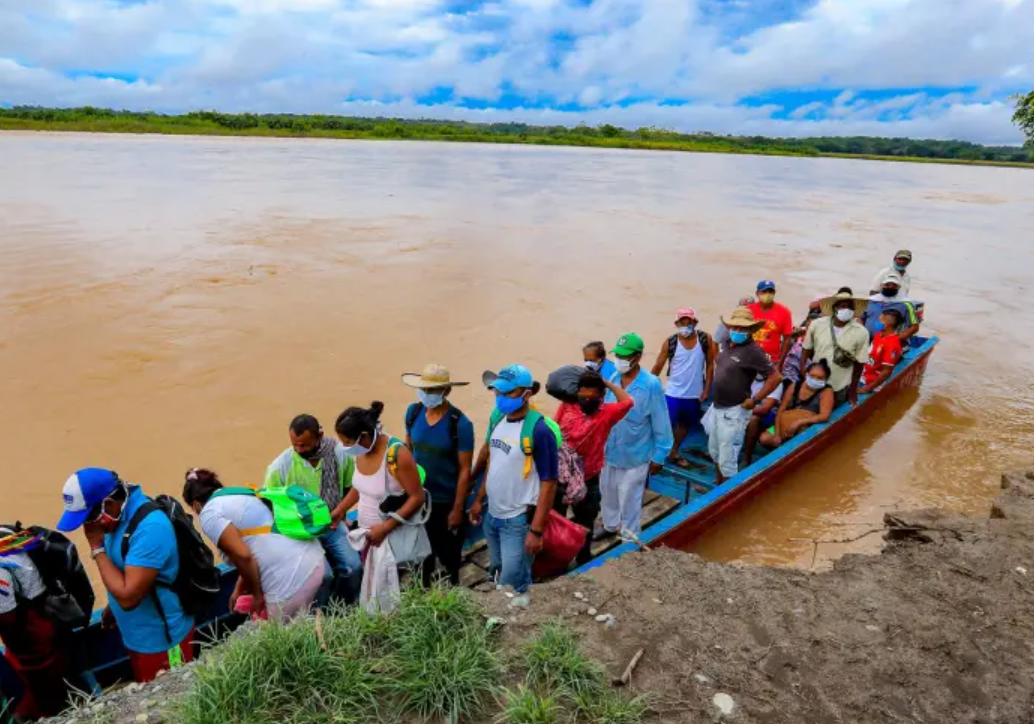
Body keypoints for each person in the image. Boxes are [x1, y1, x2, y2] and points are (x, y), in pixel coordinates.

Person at [56, 468, 195, 682]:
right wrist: (113, 606)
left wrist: (96, 548)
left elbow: (129, 598)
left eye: (89, 517)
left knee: (173, 696)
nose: (87, 525)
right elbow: (125, 569)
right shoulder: (116, 519)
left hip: (163, 640)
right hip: (137, 637)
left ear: (108, 503)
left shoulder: (150, 528)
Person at [183, 468, 327, 621]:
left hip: (290, 578)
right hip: (314, 559)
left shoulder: (208, 513)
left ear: (196, 504)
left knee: (279, 637)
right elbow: (253, 545)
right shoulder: (240, 494)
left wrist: (257, 595)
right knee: (305, 627)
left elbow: (244, 556)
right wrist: (239, 588)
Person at [469, 365, 558, 595]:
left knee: (512, 582)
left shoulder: (539, 431)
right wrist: (479, 499)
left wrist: (536, 532)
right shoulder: (498, 418)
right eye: (498, 392)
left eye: (508, 393)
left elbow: (549, 483)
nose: (501, 398)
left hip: (517, 522)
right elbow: (493, 463)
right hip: (493, 515)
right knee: (498, 569)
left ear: (526, 394)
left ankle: (515, 616)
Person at [335, 402, 428, 611]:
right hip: (369, 536)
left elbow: (417, 497)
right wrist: (341, 509)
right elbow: (360, 487)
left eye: (349, 442)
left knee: (394, 595)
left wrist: (385, 528)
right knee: (373, 593)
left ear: (364, 436)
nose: (347, 447)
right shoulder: (360, 452)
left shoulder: (397, 455)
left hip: (391, 538)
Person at [265, 414, 361, 603]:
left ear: (319, 436)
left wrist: (340, 510)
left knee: (354, 566)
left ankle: (343, 605)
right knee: (322, 576)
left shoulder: (340, 453)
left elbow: (353, 486)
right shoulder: (280, 467)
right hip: (300, 530)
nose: (299, 449)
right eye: (295, 445)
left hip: (331, 521)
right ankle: (319, 614)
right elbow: (268, 504)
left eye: (305, 445)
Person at [401, 364, 475, 586]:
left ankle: (452, 589)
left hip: (445, 501)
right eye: (425, 389)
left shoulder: (459, 424)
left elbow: (464, 469)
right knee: (422, 554)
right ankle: (424, 592)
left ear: (446, 391)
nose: (427, 395)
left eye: (433, 391)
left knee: (448, 553)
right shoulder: (413, 413)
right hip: (418, 497)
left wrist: (457, 508)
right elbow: (407, 451)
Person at [553, 371, 634, 563]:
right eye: (583, 393)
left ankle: (583, 558)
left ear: (601, 396)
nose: (587, 398)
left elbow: (628, 401)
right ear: (577, 393)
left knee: (585, 523)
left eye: (592, 395)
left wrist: (605, 382)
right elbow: (553, 430)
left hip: (588, 479)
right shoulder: (567, 406)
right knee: (557, 522)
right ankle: (558, 560)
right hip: (560, 478)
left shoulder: (606, 412)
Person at [597, 334, 673, 539]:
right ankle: (609, 525)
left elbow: (662, 424)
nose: (619, 360)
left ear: (637, 357)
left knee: (630, 498)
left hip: (635, 456)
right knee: (608, 493)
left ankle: (629, 537)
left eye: (625, 356)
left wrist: (659, 456)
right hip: (609, 452)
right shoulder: (613, 378)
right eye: (618, 355)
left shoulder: (651, 385)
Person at [0, 536, 74, 718]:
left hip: (31, 637)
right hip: (45, 617)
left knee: (44, 692)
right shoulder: (6, 536)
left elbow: (7, 617)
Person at [707, 308, 781, 484]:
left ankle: (725, 492)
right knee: (715, 451)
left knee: (728, 457)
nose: (737, 331)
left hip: (734, 412)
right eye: (735, 327)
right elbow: (715, 351)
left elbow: (776, 377)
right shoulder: (726, 343)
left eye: (743, 328)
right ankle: (719, 483)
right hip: (717, 407)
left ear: (750, 331)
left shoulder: (753, 351)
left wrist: (755, 399)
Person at [650, 307, 714, 469]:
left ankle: (674, 451)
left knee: (684, 425)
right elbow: (658, 366)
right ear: (676, 324)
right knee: (665, 424)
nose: (685, 325)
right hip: (672, 392)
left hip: (694, 394)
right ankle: (655, 454)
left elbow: (710, 365)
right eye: (682, 322)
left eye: (689, 322)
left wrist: (707, 390)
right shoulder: (670, 342)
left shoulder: (705, 339)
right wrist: (647, 386)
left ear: (695, 322)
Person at [802, 292, 870, 407]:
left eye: (850, 307)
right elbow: (806, 348)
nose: (847, 310)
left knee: (831, 410)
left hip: (839, 384)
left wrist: (853, 391)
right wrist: (802, 369)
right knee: (808, 407)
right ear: (834, 308)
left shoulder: (862, 332)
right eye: (843, 306)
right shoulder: (817, 324)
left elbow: (860, 363)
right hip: (815, 379)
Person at [760, 359, 836, 449]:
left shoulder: (826, 391)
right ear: (806, 375)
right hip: (784, 422)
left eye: (820, 378)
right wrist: (777, 433)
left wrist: (799, 422)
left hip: (806, 424)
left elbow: (825, 415)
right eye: (812, 376)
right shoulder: (795, 386)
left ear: (826, 380)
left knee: (798, 442)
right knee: (764, 438)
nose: (815, 380)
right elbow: (781, 409)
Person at [862, 272, 920, 344]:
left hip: (890, 344)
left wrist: (895, 339)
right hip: (867, 341)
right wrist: (862, 334)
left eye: (894, 285)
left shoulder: (906, 304)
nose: (890, 287)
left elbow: (914, 327)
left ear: (899, 287)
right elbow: (860, 318)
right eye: (887, 285)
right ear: (881, 285)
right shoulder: (870, 300)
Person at [742, 372, 785, 466]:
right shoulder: (747, 375)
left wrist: (739, 409)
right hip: (746, 410)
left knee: (753, 420)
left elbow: (765, 409)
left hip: (770, 422)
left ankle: (747, 457)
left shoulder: (776, 381)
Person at [748, 280, 794, 367]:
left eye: (770, 291)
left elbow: (787, 339)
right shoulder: (748, 310)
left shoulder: (784, 312)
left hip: (771, 360)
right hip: (749, 357)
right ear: (757, 293)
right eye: (764, 291)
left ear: (774, 293)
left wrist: (780, 362)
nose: (767, 294)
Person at [859, 309, 905, 395]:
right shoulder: (879, 334)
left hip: (869, 383)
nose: (876, 322)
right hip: (863, 375)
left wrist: (867, 389)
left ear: (887, 324)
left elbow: (886, 372)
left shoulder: (892, 344)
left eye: (879, 320)